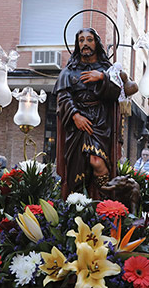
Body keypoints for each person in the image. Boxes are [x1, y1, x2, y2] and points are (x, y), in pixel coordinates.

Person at [54, 27, 122, 199]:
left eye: (89, 39)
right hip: (76, 123)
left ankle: (104, 200)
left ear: (96, 43)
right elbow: (63, 96)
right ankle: (77, 203)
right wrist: (75, 116)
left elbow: (117, 93)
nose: (85, 44)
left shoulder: (107, 69)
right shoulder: (68, 71)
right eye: (81, 40)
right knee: (77, 168)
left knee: (97, 161)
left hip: (100, 121)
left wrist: (102, 77)